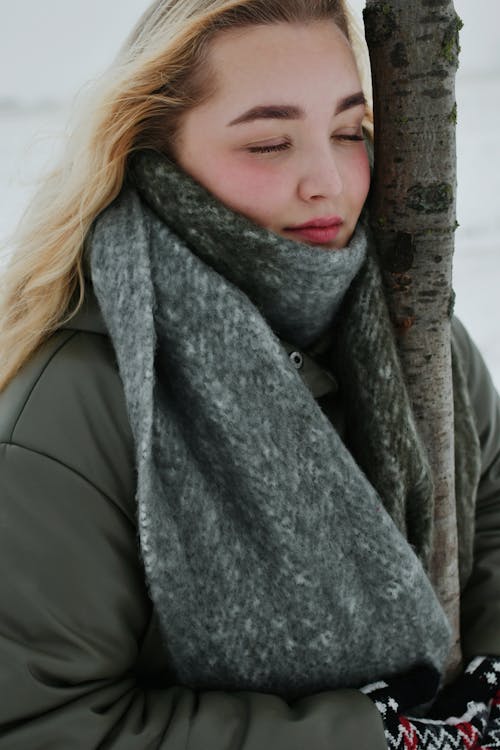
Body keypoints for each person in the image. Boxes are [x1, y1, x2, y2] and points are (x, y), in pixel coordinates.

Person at [0, 1, 499, 748]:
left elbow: (490, 517)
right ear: (153, 146)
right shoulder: (78, 399)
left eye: (347, 131)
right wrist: (371, 736)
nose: (327, 181)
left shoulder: (416, 335)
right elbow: (42, 724)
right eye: (269, 143)